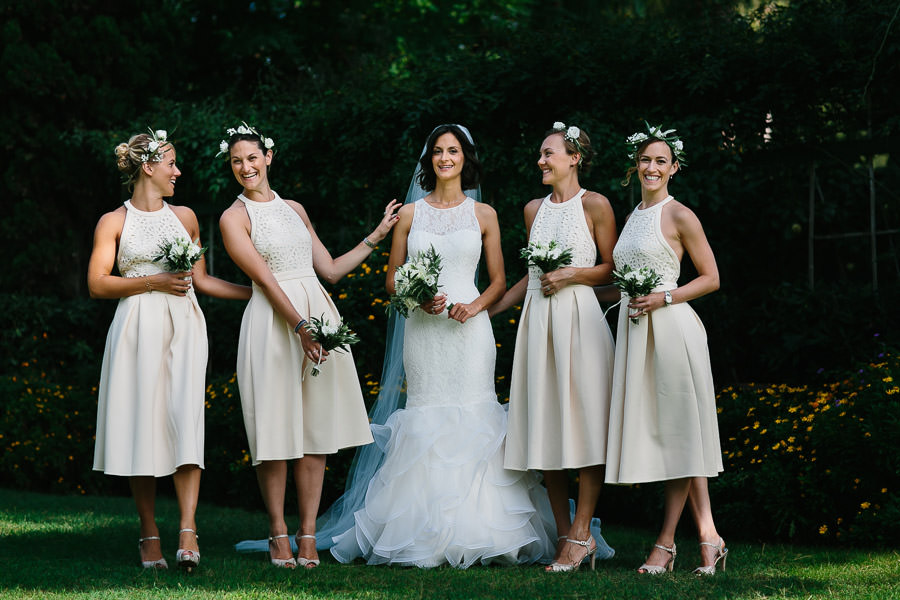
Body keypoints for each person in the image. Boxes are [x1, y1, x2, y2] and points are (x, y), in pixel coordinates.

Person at [328, 124, 556, 568]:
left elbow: (498, 283)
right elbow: (392, 278)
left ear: (465, 159)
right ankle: (418, 531)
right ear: (429, 160)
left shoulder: (484, 214)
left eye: (453, 151)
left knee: (475, 414)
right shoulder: (410, 215)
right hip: (424, 329)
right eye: (438, 151)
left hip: (469, 332)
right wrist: (417, 296)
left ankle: (482, 531)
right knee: (427, 416)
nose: (444, 158)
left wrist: (473, 308)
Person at [217, 122, 400, 569]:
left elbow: (330, 270)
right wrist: (299, 325)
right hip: (273, 323)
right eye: (237, 161)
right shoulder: (233, 218)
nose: (246, 167)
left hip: (318, 315)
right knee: (275, 430)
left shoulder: (295, 208)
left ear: (269, 158)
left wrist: (376, 235)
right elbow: (262, 277)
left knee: (316, 432)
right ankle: (278, 531)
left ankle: (308, 535)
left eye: (253, 158)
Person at [88, 129, 251, 571]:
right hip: (136, 329)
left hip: (184, 326)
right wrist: (153, 281)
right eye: (171, 164)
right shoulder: (113, 221)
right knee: (143, 424)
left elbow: (202, 279)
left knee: (184, 418)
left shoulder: (186, 216)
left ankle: (187, 529)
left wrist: (258, 293)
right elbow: (98, 283)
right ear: (148, 167)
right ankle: (149, 533)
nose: (178, 171)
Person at [490, 122, 617, 572]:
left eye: (549, 154)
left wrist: (571, 275)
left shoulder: (596, 205)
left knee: (584, 425)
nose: (541, 162)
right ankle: (565, 535)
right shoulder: (532, 210)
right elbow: (531, 274)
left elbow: (611, 268)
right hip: (539, 323)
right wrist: (489, 309)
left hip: (580, 321)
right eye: (541, 155)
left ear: (574, 157)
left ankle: (583, 533)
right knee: (546, 425)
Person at [603, 123, 726, 576]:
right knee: (678, 436)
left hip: (672, 330)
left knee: (678, 435)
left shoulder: (679, 215)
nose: (651, 168)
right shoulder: (632, 214)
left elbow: (711, 277)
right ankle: (709, 536)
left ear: (674, 168)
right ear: (634, 166)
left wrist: (663, 297)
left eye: (660, 161)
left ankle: (667, 543)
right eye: (644, 160)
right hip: (637, 335)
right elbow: (619, 281)